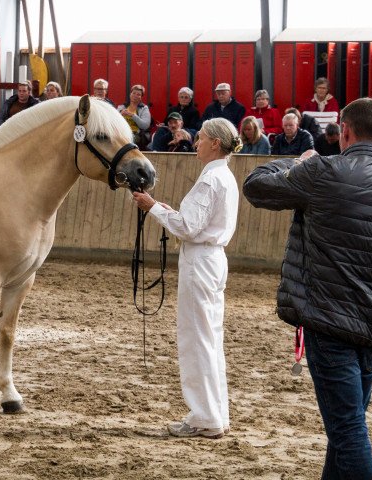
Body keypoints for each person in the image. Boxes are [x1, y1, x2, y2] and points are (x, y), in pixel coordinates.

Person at [242, 97, 372, 480]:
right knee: (347, 425)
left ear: (346, 132)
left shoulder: (323, 171)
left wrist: (294, 163)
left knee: (347, 429)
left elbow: (256, 188)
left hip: (330, 321)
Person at [132, 117, 241, 439]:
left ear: (215, 144)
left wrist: (153, 208)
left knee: (197, 340)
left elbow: (188, 227)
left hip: (201, 260)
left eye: (202, 138)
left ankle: (204, 417)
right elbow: (194, 222)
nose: (197, 143)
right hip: (212, 258)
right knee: (209, 338)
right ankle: (214, 413)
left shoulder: (210, 180)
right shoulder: (224, 177)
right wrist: (165, 210)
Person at [117, 84, 151, 150]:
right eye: (133, 93)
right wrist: (120, 114)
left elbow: (145, 125)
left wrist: (132, 115)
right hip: (122, 133)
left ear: (141, 97)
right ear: (130, 94)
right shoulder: (121, 107)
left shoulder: (144, 108)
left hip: (136, 135)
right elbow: (113, 121)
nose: (135, 95)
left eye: (138, 94)